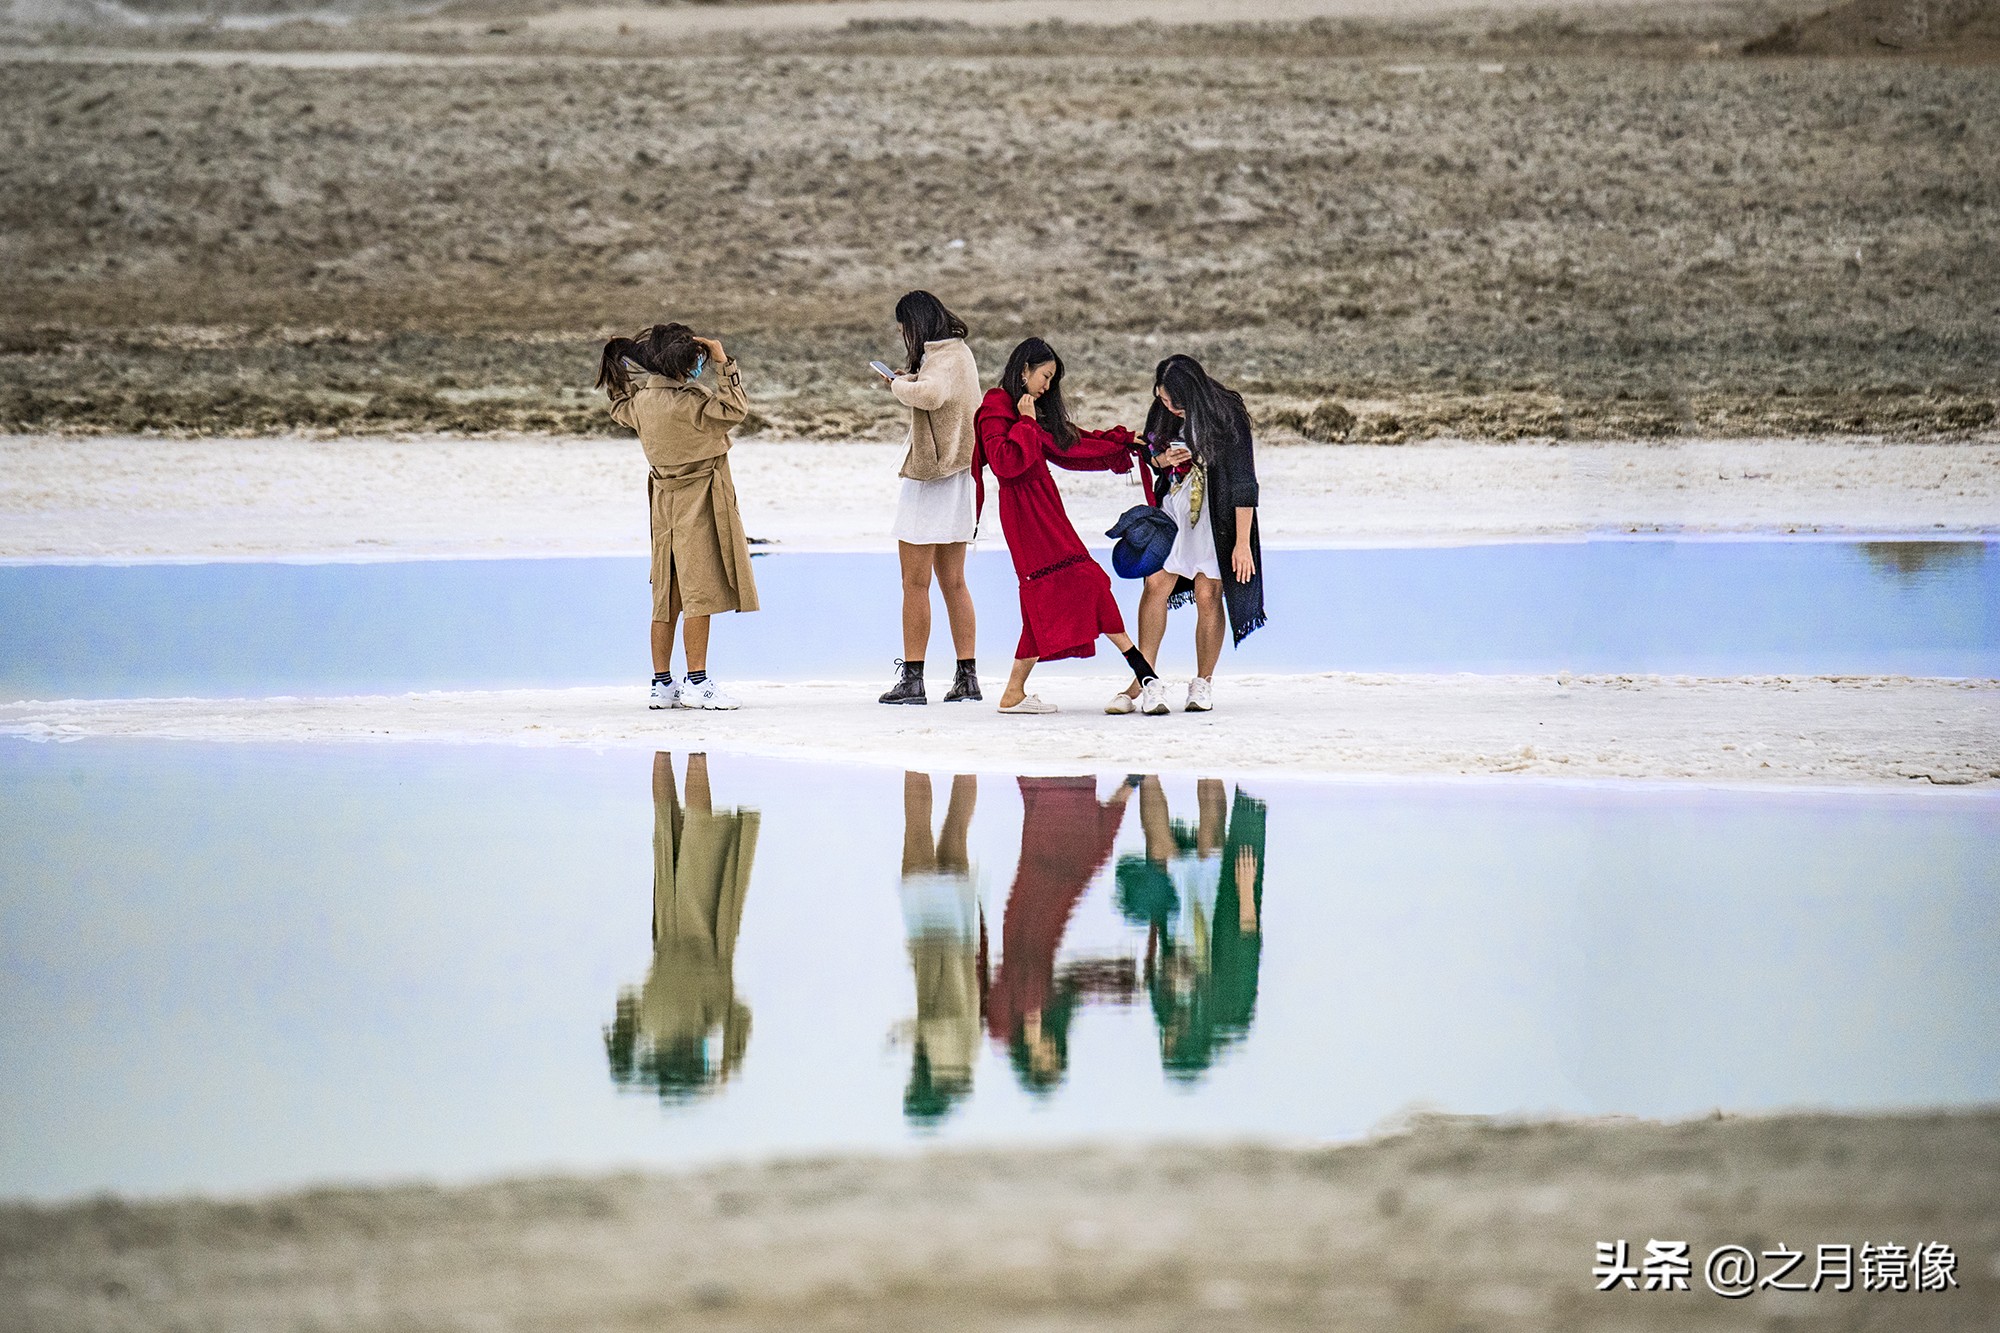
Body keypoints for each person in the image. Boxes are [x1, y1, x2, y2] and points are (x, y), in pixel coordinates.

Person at [972, 337, 1167, 715]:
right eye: (1045, 376)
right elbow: (1004, 462)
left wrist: (1123, 444)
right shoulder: (996, 405)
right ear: (1024, 369)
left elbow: (1071, 445)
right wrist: (1026, 423)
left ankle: (1014, 692)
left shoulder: (1033, 409)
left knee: (1052, 592)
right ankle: (1143, 671)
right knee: (1084, 580)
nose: (1047, 386)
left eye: (1052, 379)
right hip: (1023, 513)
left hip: (1044, 505)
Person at [598, 323, 758, 711]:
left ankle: (661, 684)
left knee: (666, 596)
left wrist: (620, 372)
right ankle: (698, 683)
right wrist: (723, 361)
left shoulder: (641, 404)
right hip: (700, 498)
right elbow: (736, 408)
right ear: (688, 361)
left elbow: (618, 405)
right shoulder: (694, 403)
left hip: (662, 503)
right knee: (699, 594)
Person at [1112, 354, 1266, 715]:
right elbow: (1150, 453)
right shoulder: (1163, 407)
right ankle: (1146, 678)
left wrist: (1242, 544)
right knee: (1155, 584)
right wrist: (1160, 461)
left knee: (1208, 590)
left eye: (1174, 403)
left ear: (1192, 396)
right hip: (1173, 514)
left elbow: (1245, 482)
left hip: (1218, 519)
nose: (1167, 407)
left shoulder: (1226, 413)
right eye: (1162, 399)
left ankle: (1203, 683)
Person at [602, 752, 760, 1101]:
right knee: (666, 822)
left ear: (693, 1058)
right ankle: (661, 746)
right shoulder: (648, 1024)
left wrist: (727, 1067)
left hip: (698, 921)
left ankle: (697, 748)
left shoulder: (706, 1019)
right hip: (666, 921)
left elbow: (743, 1018)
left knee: (700, 831)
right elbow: (625, 1000)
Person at [985, 776, 1135, 1092]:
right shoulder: (1057, 1011)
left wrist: (1029, 1018)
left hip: (1027, 913)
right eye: (1053, 1053)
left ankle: (1064, 779)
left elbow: (1012, 978)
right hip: (1054, 910)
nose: (1046, 1048)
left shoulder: (1002, 1026)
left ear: (1026, 1061)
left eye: (1041, 1057)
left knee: (1055, 828)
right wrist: (1118, 985)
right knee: (1093, 856)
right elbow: (1080, 983)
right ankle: (1128, 786)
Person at [1115, 778, 1266, 1082]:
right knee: (1210, 843)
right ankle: (1209, 762)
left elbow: (1161, 966)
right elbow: (1247, 946)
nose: (1167, 1034)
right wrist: (1246, 890)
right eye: (1172, 1042)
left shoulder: (1166, 1012)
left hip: (1183, 937)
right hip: (1221, 926)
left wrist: (1170, 972)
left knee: (1161, 851)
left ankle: (1148, 771)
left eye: (1165, 1042)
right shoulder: (1230, 1014)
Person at [878, 291, 982, 705]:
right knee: (954, 582)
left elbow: (932, 395)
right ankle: (967, 677)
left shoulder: (942, 359)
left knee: (914, 583)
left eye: (905, 327)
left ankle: (913, 679)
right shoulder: (959, 353)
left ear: (916, 324)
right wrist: (913, 378)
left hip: (932, 477)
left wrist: (899, 384)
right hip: (961, 477)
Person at [895, 771, 984, 1126]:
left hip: (961, 940)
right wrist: (904, 1033)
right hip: (931, 938)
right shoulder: (945, 1059)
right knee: (918, 829)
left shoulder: (967, 1060)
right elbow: (939, 1024)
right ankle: (914, 758)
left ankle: (971, 757)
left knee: (957, 828)